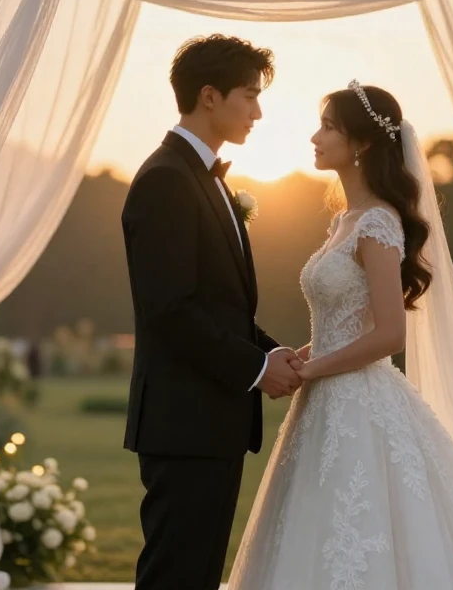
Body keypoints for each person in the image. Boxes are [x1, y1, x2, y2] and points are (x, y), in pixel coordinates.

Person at [227, 81, 453, 590]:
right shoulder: (342, 221)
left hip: (356, 399)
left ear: (363, 143)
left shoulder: (377, 225)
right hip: (325, 400)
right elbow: (346, 319)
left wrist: (311, 370)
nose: (314, 137)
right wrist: (301, 355)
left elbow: (390, 334)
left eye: (328, 127)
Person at [120, 34, 305, 590]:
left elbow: (218, 307)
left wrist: (272, 352)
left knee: (197, 576)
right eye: (248, 96)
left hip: (210, 420)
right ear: (209, 96)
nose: (258, 111)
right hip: (184, 423)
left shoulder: (205, 180)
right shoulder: (166, 181)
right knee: (175, 576)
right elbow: (171, 312)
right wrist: (255, 369)